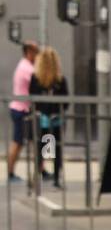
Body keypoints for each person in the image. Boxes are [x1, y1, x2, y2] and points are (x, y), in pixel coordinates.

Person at [29, 47, 68, 187]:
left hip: (41, 120)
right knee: (56, 150)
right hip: (56, 120)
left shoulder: (35, 79)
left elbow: (32, 99)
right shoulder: (60, 80)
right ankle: (57, 179)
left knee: (41, 149)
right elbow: (66, 101)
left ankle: (36, 178)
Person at [8, 41, 38, 184]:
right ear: (29, 52)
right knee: (18, 142)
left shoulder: (26, 66)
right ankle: (10, 173)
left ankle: (42, 169)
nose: (37, 55)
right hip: (22, 110)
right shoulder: (27, 69)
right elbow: (37, 82)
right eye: (35, 52)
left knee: (37, 141)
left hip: (24, 110)